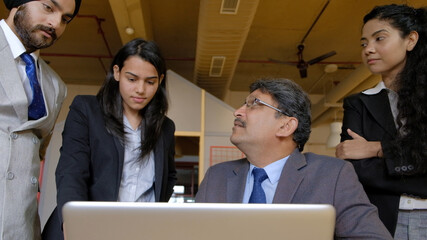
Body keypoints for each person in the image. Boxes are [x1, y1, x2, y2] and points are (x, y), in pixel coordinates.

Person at [196, 78, 392, 239]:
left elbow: (372, 237)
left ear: (286, 126)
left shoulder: (333, 175)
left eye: (254, 104)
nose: (238, 112)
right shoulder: (216, 177)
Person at [41, 38, 177, 239]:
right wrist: (74, 224)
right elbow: (71, 172)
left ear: (160, 80)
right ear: (117, 73)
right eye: (132, 79)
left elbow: (168, 178)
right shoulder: (87, 110)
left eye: (150, 82)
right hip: (86, 229)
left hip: (136, 231)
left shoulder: (165, 127)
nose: (141, 89)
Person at [335, 4, 427, 238]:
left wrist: (377, 149)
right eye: (364, 43)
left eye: (379, 39)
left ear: (411, 40)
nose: (369, 49)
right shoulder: (358, 103)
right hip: (379, 220)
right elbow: (358, 170)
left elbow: (369, 163)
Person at [0, 0, 81, 239]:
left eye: (65, 19)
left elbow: (38, 154)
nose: (55, 23)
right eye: (48, 7)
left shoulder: (56, 86)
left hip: (22, 226)